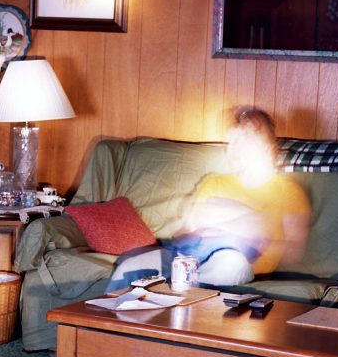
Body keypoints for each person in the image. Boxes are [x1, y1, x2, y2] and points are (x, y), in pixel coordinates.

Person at [107, 106, 311, 291]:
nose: (235, 149)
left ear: (266, 146)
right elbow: (185, 231)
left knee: (230, 265)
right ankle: (106, 328)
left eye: (245, 140)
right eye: (233, 142)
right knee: (131, 266)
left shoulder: (288, 191)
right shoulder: (214, 182)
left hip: (236, 263)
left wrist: (256, 232)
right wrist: (213, 223)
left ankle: (181, 300)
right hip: (189, 256)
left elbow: (294, 254)